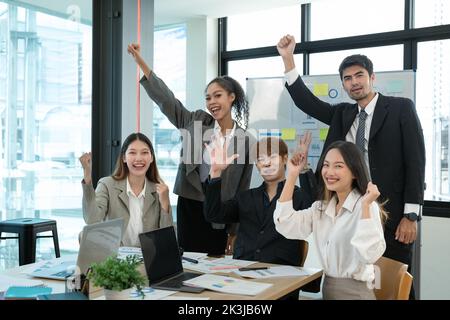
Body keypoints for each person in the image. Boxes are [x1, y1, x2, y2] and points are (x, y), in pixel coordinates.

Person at [277, 35, 425, 298]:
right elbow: (305, 101)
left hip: (390, 214)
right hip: (347, 211)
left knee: (394, 285)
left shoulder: (401, 108)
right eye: (347, 78)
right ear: (343, 84)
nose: (354, 82)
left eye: (359, 75)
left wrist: (410, 215)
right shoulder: (342, 114)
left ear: (372, 77)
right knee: (356, 281)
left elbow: (415, 161)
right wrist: (288, 58)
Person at [128, 43, 254, 255]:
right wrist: (141, 62)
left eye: (217, 95)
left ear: (231, 97)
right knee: (187, 262)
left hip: (220, 209)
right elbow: (166, 100)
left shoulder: (245, 140)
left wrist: (235, 230)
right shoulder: (196, 120)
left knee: (214, 264)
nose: (211, 102)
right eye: (208, 97)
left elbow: (243, 189)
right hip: (190, 204)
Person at [274, 140, 386, 300]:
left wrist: (366, 206)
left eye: (338, 166)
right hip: (327, 290)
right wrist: (292, 175)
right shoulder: (321, 208)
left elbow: (369, 254)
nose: (329, 172)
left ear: (355, 172)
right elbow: (284, 223)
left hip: (355, 294)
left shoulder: (365, 206)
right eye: (326, 165)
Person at [204, 134, 317, 266]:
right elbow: (213, 214)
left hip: (282, 273)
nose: (267, 163)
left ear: (285, 159)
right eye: (260, 159)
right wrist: (216, 172)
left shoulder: (298, 196)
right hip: (243, 269)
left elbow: (316, 207)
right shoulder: (245, 197)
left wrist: (302, 169)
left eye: (273, 157)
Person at [80, 132, 173, 247]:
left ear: (152, 158)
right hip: (116, 260)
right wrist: (88, 180)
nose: (138, 158)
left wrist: (165, 204)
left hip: (147, 260)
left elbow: (167, 240)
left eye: (144, 153)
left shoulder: (159, 189)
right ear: (124, 157)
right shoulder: (107, 185)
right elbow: (91, 219)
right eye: (132, 153)